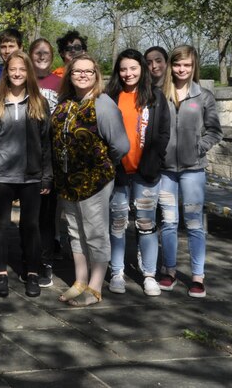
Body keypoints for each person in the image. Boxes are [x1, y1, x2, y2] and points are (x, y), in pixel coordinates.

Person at [51, 53, 129, 307]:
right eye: (77, 71)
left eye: (88, 71)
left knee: (96, 233)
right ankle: (80, 280)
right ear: (69, 75)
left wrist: (102, 165)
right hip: (68, 181)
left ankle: (95, 286)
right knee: (75, 232)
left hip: (94, 182)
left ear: (96, 75)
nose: (83, 75)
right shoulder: (65, 103)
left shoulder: (102, 103)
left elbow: (120, 145)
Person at [0, 51, 52, 298]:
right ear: (6, 72)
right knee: (1, 226)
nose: (18, 73)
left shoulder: (39, 103)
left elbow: (46, 143)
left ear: (28, 72)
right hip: (1, 174)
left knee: (30, 226)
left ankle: (31, 272)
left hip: (31, 176)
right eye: (13, 69)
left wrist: (47, 175)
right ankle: (1, 273)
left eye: (22, 69)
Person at [158, 45, 222, 298]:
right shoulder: (160, 95)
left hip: (193, 170)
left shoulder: (203, 96)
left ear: (193, 67)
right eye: (177, 64)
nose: (181, 69)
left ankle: (197, 276)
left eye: (187, 65)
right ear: (170, 66)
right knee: (169, 222)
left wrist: (199, 147)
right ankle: (169, 270)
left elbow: (215, 130)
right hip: (165, 171)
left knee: (195, 224)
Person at [105, 49, 170, 297]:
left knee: (146, 223)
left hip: (146, 173)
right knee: (118, 224)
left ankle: (149, 274)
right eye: (123, 69)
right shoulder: (110, 96)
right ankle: (117, 272)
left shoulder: (154, 96)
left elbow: (163, 133)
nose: (128, 73)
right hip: (119, 173)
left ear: (141, 69)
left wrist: (153, 164)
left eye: (133, 68)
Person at [28, 37, 62, 285]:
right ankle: (29, 260)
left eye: (46, 52)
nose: (41, 56)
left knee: (46, 216)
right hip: (26, 154)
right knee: (29, 215)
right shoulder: (23, 80)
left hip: (52, 155)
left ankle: (46, 261)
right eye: (37, 52)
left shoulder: (60, 83)